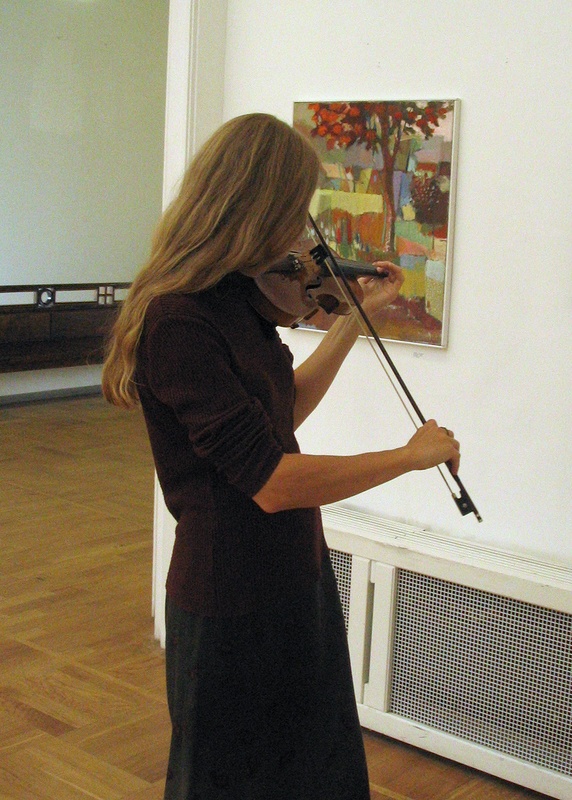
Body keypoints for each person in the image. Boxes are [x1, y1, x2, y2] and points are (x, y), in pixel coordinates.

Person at [102, 113, 460, 800]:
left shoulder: (238, 301)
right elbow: (270, 481)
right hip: (229, 598)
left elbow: (280, 411)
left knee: (314, 773)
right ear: (253, 205)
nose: (302, 232)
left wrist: (356, 318)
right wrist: (407, 456)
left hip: (295, 574)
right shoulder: (179, 322)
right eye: (293, 209)